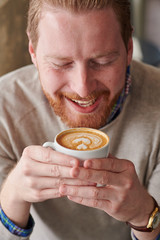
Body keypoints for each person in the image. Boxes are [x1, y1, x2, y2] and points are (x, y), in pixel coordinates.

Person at [0, 0, 160, 239]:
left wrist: (143, 214)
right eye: (61, 64)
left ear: (128, 50)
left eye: (102, 62)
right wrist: (13, 195)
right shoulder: (4, 108)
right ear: (33, 52)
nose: (83, 89)